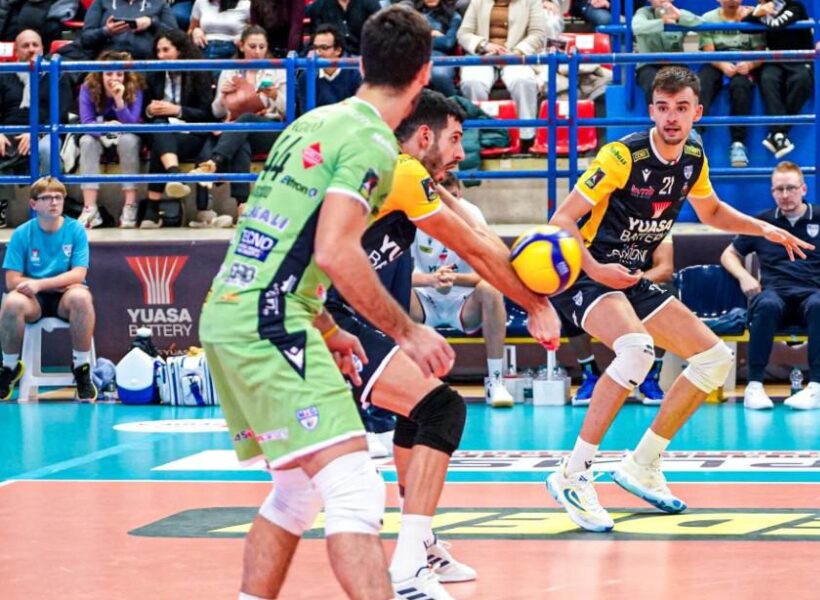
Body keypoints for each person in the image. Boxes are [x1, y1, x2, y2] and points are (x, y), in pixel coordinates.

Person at [198, 8, 434, 600]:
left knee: (296, 493)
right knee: (355, 490)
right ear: (424, 74)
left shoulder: (312, 122)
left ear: (361, 62)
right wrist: (408, 331)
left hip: (231, 310)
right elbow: (333, 250)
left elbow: (282, 235)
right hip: (269, 319)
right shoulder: (373, 143)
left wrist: (326, 326)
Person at [544, 65, 811, 532]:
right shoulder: (620, 156)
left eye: (681, 108)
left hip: (630, 276)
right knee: (636, 350)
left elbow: (711, 211)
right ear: (651, 111)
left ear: (697, 112)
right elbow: (560, 220)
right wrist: (596, 269)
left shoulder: (693, 155)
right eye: (664, 108)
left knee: (713, 358)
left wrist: (763, 228)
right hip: (587, 272)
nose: (672, 117)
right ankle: (573, 473)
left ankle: (642, 464)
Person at [324, 89, 560, 598]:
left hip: (350, 314)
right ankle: (409, 567)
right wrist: (536, 304)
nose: (460, 153)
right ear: (425, 136)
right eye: (454, 140)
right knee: (442, 409)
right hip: (323, 316)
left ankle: (421, 544)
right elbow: (476, 249)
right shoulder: (400, 172)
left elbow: (476, 228)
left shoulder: (408, 175)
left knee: (420, 409)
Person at [720, 161, 820, 410]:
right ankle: (754, 386)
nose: (785, 195)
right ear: (772, 192)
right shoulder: (762, 222)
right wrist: (744, 276)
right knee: (765, 304)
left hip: (812, 295)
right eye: (779, 189)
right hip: (774, 294)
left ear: (803, 189)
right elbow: (729, 254)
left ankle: (817, 387)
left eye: (791, 188)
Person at [409, 171, 515, 406]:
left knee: (491, 289)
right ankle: (406, 380)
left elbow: (491, 271)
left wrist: (455, 278)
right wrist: (431, 280)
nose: (450, 204)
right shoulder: (415, 215)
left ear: (460, 194)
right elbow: (398, 274)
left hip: (464, 303)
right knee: (393, 291)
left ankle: (496, 381)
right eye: (443, 198)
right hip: (425, 300)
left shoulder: (472, 215)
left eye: (454, 197)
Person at [0, 177, 96, 402]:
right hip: (32, 300)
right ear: (34, 204)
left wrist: (39, 283)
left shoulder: (76, 230)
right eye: (46, 198)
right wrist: (43, 285)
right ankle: (9, 368)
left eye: (58, 197)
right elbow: (12, 280)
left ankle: (81, 369)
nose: (54, 202)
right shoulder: (22, 233)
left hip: (64, 298)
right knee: (12, 302)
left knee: (81, 297)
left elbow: (78, 275)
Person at [571, 234, 678, 405]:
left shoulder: (659, 224)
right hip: (599, 283)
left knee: (667, 297)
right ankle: (590, 375)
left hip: (639, 284)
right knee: (573, 301)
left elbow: (665, 268)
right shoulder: (596, 224)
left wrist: (629, 282)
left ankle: (650, 378)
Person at [193, 25, 287, 218]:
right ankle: (242, 206)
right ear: (242, 46)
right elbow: (217, 112)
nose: (257, 52)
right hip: (237, 132)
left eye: (262, 47)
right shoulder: (230, 71)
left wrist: (276, 95)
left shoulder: (278, 70)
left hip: (270, 128)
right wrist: (223, 97)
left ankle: (214, 162)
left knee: (245, 121)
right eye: (252, 46)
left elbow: (290, 110)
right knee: (241, 142)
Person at [142, 30, 221, 229]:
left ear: (180, 50)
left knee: (160, 142)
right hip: (163, 130)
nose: (161, 56)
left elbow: (206, 114)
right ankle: (175, 174)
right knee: (159, 128)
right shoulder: (154, 74)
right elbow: (144, 112)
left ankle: (152, 211)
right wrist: (150, 110)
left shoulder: (198, 72)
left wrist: (177, 110)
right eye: (158, 51)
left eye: (166, 50)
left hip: (191, 133)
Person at [0, 29, 73, 227]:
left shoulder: (56, 74)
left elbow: (61, 112)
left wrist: (36, 133)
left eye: (35, 45)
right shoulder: (4, 74)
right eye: (25, 46)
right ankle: (1, 207)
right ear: (16, 51)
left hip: (46, 131)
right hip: (10, 131)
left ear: (43, 48)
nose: (31, 49)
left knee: (47, 149)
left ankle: (48, 207)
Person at [458, 0, 546, 152]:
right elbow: (464, 33)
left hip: (517, 55)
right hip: (484, 55)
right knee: (472, 82)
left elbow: (538, 35)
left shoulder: (532, 2)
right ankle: (479, 135)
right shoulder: (478, 1)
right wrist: (484, 45)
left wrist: (516, 52)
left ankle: (527, 137)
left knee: (523, 81)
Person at [77, 50, 145, 229]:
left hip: (126, 134)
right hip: (99, 134)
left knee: (129, 141)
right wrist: (105, 130)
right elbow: (86, 122)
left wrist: (119, 100)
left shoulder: (135, 87)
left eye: (119, 74)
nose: (114, 78)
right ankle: (90, 208)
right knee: (86, 141)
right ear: (100, 75)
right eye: (108, 73)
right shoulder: (88, 87)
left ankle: (130, 206)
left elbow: (132, 124)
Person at [742, 0, 814, 159]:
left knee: (802, 81)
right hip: (775, 59)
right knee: (767, 79)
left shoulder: (795, 6)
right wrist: (757, 13)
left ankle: (777, 132)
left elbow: (777, 24)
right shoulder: (763, 9)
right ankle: (780, 136)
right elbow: (743, 26)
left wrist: (759, 14)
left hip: (799, 58)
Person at [699, 0, 765, 168]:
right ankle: (694, 134)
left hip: (744, 62)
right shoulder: (708, 18)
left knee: (741, 86)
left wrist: (750, 65)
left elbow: (760, 53)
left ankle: (738, 144)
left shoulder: (753, 16)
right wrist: (722, 64)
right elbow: (708, 52)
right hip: (717, 62)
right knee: (702, 81)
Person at [632, 0, 702, 105]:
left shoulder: (678, 12)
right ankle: (657, 114)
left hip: (676, 63)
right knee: (653, 84)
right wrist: (662, 22)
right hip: (649, 65)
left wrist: (679, 16)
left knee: (688, 85)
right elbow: (637, 26)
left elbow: (700, 23)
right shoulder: (643, 12)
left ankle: (688, 114)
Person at [79, 0, 180, 60]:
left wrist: (151, 23)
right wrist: (106, 31)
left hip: (146, 65)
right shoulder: (101, 2)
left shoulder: (159, 3)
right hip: (108, 65)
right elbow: (85, 39)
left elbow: (177, 38)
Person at [295, 25, 361, 113]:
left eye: (324, 48)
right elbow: (305, 114)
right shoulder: (306, 77)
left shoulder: (355, 74)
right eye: (315, 48)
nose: (318, 53)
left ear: (338, 50)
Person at [416, 0, 462, 97]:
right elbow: (407, 41)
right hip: (414, 56)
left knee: (439, 75)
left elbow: (447, 43)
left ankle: (454, 102)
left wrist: (420, 38)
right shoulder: (412, 14)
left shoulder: (454, 16)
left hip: (440, 57)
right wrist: (431, 36)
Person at [306, 0, 382, 56]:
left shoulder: (369, 3)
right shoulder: (320, 5)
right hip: (333, 56)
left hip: (363, 55)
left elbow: (380, 32)